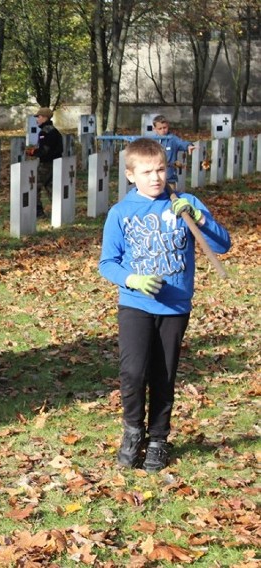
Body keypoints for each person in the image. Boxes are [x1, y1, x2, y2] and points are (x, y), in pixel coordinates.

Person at [98, 138, 231, 472]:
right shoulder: (121, 213)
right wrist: (132, 280)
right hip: (135, 304)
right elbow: (108, 263)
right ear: (131, 175)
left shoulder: (183, 203)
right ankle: (133, 431)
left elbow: (222, 244)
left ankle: (158, 438)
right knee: (132, 371)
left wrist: (199, 218)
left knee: (164, 374)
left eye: (161, 169)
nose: (156, 177)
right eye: (146, 171)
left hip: (174, 307)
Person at [29, 107, 63, 218]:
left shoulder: (46, 132)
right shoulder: (54, 131)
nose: (37, 119)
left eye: (38, 117)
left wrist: (33, 152)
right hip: (55, 163)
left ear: (45, 117)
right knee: (50, 187)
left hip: (46, 164)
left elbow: (45, 150)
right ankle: (59, 210)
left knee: (34, 186)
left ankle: (38, 211)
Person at [152, 115, 195, 189]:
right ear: (154, 129)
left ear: (168, 126)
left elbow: (182, 143)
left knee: (171, 196)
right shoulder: (152, 141)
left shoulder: (173, 139)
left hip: (170, 176)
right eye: (160, 128)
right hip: (155, 176)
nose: (163, 130)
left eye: (165, 127)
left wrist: (188, 146)